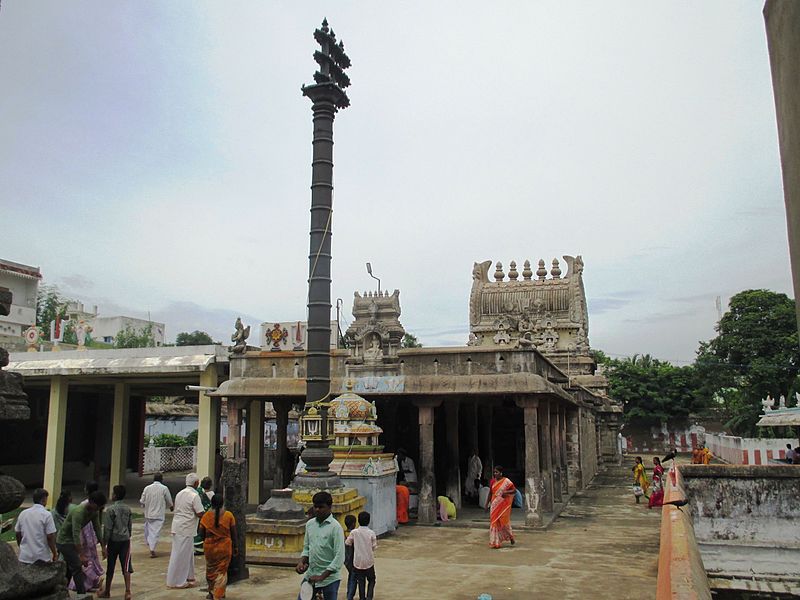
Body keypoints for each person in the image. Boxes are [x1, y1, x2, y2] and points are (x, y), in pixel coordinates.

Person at [56, 490, 107, 596]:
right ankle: (81, 594)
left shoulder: (94, 512)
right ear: (91, 502)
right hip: (64, 541)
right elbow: (76, 534)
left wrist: (103, 546)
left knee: (70, 566)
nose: (98, 510)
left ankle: (64, 589)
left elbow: (97, 528)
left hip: (73, 541)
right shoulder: (78, 512)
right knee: (77, 566)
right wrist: (81, 554)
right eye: (97, 507)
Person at [295, 491, 345, 600]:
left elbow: (339, 557)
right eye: (315, 507)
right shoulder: (310, 525)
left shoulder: (335, 528)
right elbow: (307, 548)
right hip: (311, 577)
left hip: (329, 580)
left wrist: (322, 576)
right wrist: (301, 562)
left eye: (321, 507)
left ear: (329, 507)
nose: (317, 510)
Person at [166, 473, 205, 589]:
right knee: (180, 555)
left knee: (187, 554)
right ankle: (177, 581)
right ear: (196, 483)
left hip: (178, 526)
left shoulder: (180, 493)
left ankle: (189, 577)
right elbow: (200, 512)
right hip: (186, 528)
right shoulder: (194, 495)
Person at [199, 494, 238, 600]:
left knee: (211, 570)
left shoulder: (206, 516)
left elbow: (201, 534)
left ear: (212, 503)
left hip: (210, 548)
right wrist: (235, 547)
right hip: (224, 547)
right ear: (222, 503)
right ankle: (219, 594)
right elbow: (234, 533)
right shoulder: (229, 515)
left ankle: (211, 592)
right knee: (221, 572)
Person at [69, 481, 105, 593]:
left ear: (87, 490)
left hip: (84, 536)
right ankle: (90, 581)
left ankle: (93, 580)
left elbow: (95, 524)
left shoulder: (86, 504)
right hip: (89, 536)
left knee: (86, 559)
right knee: (89, 559)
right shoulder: (91, 505)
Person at [98, 485, 133, 600]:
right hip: (125, 540)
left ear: (115, 495)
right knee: (126, 566)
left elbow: (107, 528)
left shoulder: (111, 510)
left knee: (110, 567)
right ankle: (128, 591)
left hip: (113, 541)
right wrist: (128, 535)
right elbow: (129, 526)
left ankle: (107, 591)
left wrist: (104, 544)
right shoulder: (128, 509)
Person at [15, 488, 57, 564]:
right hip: (41, 557)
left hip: (25, 556)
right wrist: (54, 553)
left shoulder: (23, 514)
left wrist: (21, 546)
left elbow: (18, 533)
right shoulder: (47, 515)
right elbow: (50, 537)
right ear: (44, 499)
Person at [140, 472, 173, 558]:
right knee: (155, 532)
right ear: (161, 479)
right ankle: (152, 549)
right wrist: (171, 506)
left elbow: (142, 500)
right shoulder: (164, 488)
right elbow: (169, 499)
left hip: (148, 514)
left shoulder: (147, 488)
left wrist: (143, 505)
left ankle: (150, 543)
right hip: (158, 514)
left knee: (149, 530)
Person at [345, 511, 377, 600]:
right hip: (369, 561)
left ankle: (362, 598)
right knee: (372, 580)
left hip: (358, 562)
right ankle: (369, 596)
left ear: (358, 521)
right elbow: (374, 547)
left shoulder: (354, 532)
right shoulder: (371, 533)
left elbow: (347, 543)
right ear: (369, 521)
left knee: (361, 582)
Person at [486, 466, 516, 549]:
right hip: (494, 504)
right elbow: (490, 493)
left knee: (504, 521)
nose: (495, 474)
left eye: (497, 472)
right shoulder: (492, 481)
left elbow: (514, 490)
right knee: (494, 522)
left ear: (501, 473)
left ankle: (510, 536)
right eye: (494, 472)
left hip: (503, 504)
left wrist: (506, 492)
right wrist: (486, 504)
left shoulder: (506, 481)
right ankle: (495, 542)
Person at [194, 477, 214, 555]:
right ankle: (203, 548)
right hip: (207, 516)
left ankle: (197, 548)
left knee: (198, 531)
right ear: (210, 485)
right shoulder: (212, 494)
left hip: (198, 515)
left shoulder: (197, 492)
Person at [343, 515, 357, 600]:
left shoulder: (344, 533)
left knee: (351, 575)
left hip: (346, 559)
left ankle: (350, 594)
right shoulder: (354, 534)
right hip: (353, 558)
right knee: (353, 577)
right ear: (353, 524)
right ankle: (350, 596)